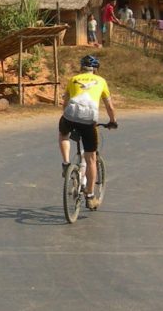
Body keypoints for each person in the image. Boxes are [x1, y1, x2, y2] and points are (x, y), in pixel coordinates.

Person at [58, 55, 118, 210]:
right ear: (95, 69)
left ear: (81, 68)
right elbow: (110, 106)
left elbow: (65, 103)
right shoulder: (101, 81)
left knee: (63, 134)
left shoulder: (73, 79)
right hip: (88, 120)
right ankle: (90, 196)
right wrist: (113, 121)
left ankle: (65, 163)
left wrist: (68, 119)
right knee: (91, 158)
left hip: (70, 116)